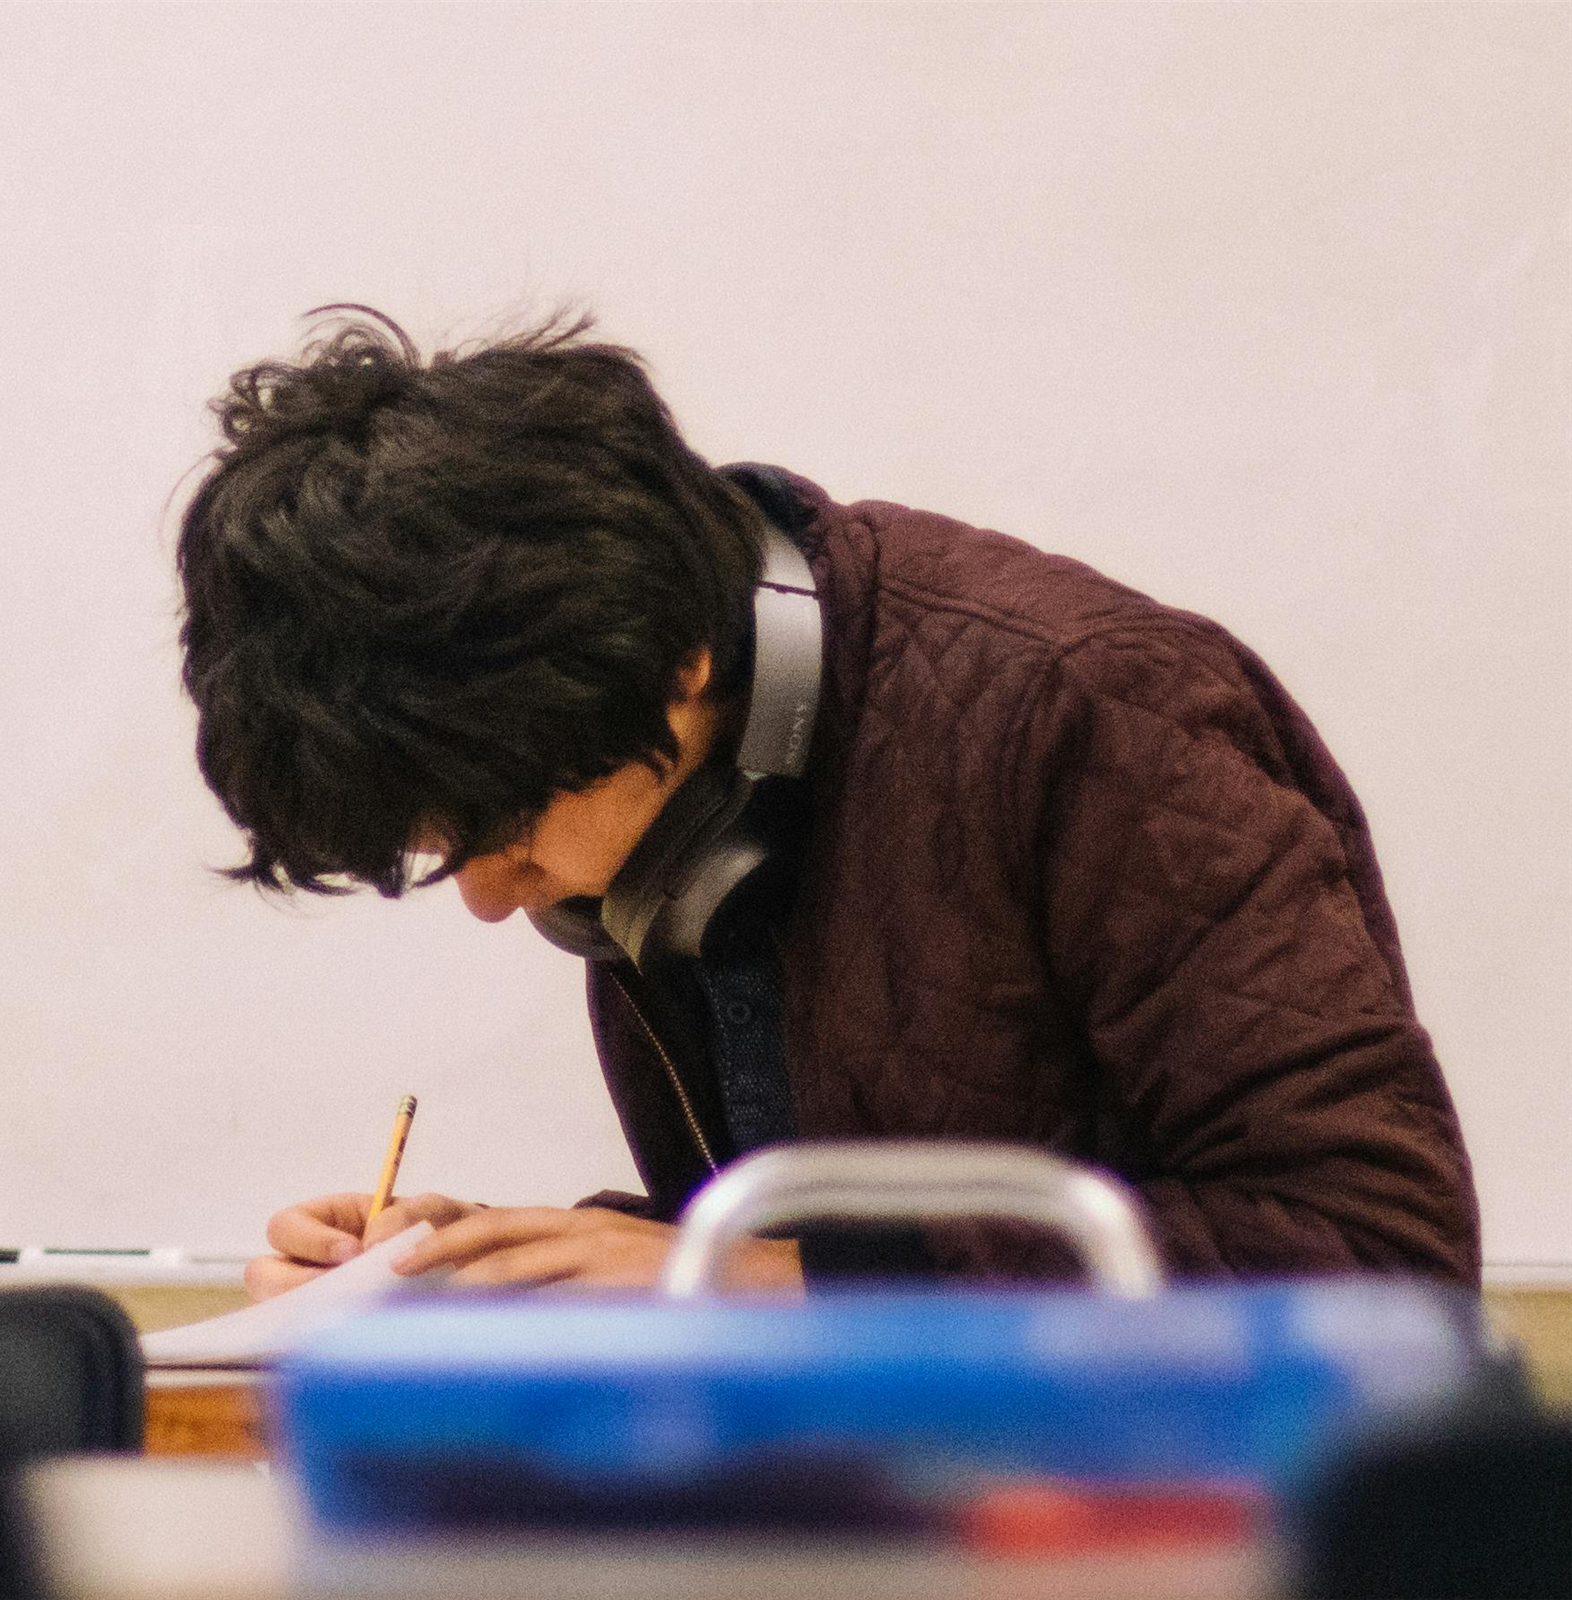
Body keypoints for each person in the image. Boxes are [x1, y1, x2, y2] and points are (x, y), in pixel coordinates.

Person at [175, 307, 1480, 1299]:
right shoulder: (673, 798)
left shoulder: (1090, 706)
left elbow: (1376, 1250)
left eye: (500, 834)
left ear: (676, 670)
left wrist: (773, 1285)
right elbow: (833, 1219)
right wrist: (489, 1276)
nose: (488, 900)